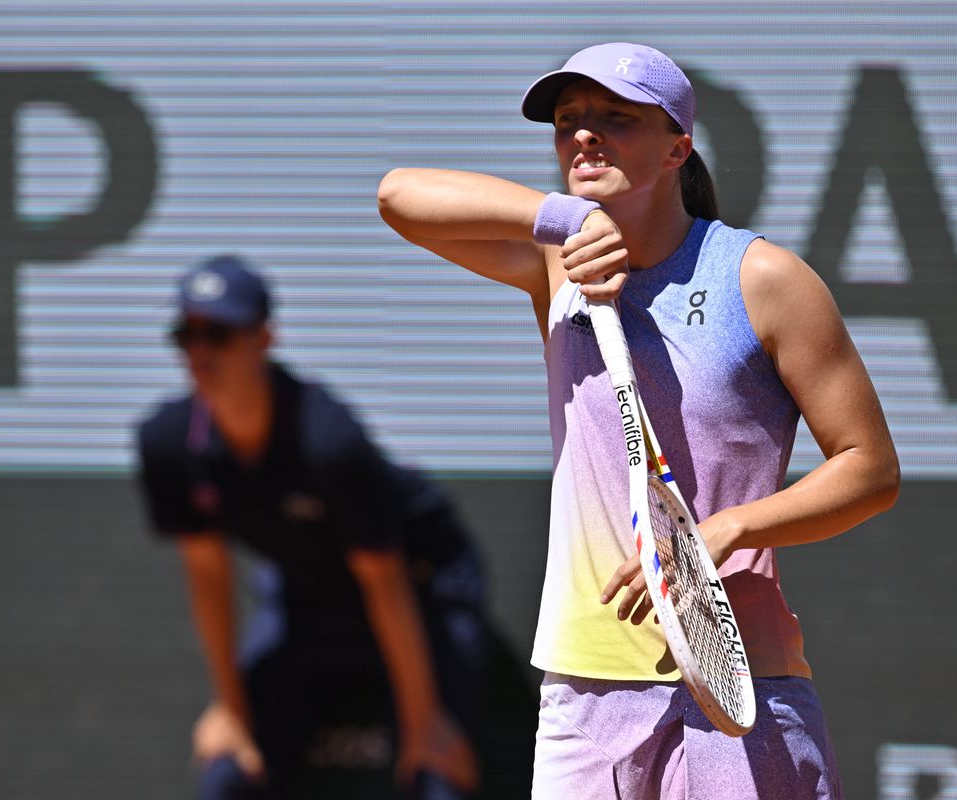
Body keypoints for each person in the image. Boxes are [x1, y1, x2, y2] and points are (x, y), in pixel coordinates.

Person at [378, 42, 900, 799]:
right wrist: (562, 219)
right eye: (568, 122)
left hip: (739, 692)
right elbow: (400, 197)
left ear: (676, 148)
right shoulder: (553, 262)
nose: (584, 135)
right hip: (583, 695)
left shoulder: (762, 279)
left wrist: (726, 531)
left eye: (614, 119)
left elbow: (869, 468)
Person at [135, 254, 484, 799]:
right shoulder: (168, 441)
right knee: (227, 769)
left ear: (264, 339)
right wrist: (230, 708)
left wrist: (424, 725)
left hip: (421, 590)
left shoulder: (328, 440)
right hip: (306, 597)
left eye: (219, 333)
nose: (200, 352)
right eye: (186, 334)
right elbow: (207, 575)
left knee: (436, 774)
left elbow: (384, 582)